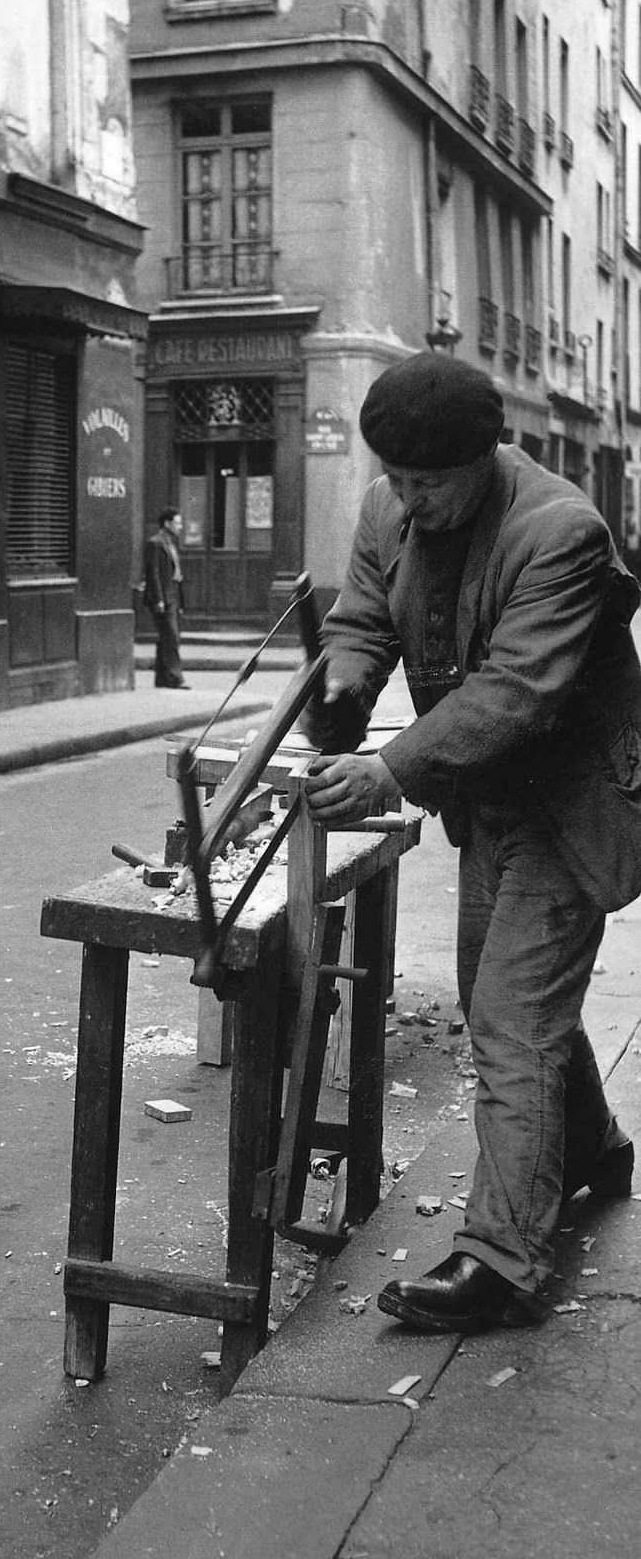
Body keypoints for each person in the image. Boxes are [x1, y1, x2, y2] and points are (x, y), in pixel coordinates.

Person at [301, 350, 641, 1334]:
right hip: (485, 802)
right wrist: (341, 692)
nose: (407, 502)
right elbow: (364, 614)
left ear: (485, 455)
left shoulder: (558, 533)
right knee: (497, 995)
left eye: (427, 483)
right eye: (395, 481)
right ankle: (591, 1149)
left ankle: (502, 1262)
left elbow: (511, 696)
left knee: (508, 1011)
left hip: (571, 801)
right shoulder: (387, 509)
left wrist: (386, 770)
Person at [143, 506, 191, 688]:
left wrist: (179, 600)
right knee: (172, 638)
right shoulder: (155, 543)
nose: (181, 527)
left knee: (166, 637)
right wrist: (159, 599)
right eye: (178, 523)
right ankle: (176, 677)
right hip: (163, 598)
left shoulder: (170, 543)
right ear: (167, 523)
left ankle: (162, 678)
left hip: (173, 597)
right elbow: (153, 573)